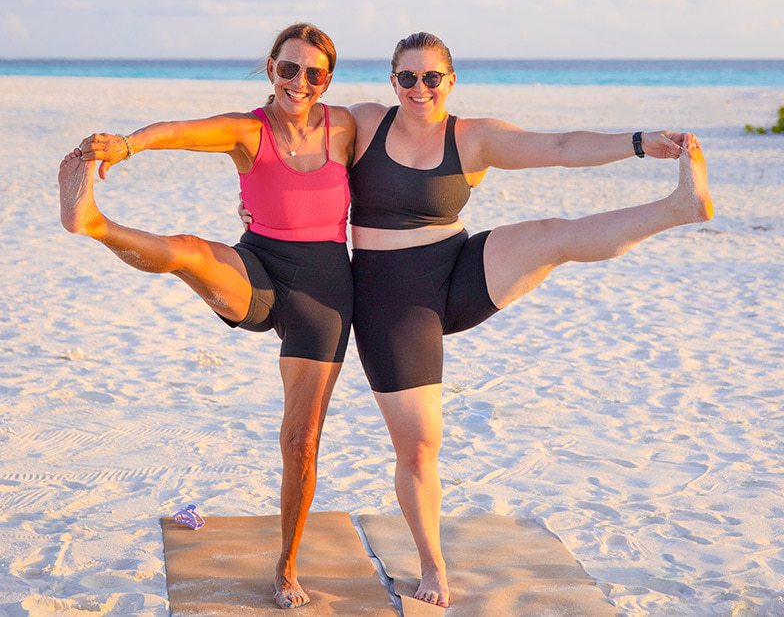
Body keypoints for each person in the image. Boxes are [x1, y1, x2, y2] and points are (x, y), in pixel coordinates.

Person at [243, 31, 714, 607]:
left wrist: (639, 142)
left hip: (458, 265)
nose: (420, 89)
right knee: (418, 448)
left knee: (553, 237)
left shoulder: (474, 137)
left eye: (431, 78)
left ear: (451, 80)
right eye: (408, 78)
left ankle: (677, 207)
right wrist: (255, 205)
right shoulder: (364, 122)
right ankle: (433, 565)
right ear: (393, 82)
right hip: (392, 300)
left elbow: (562, 146)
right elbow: (290, 138)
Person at [58, 23, 355, 610]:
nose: (300, 81)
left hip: (327, 294)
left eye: (313, 72)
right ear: (270, 68)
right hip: (260, 271)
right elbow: (182, 132)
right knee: (190, 251)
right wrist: (127, 145)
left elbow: (414, 130)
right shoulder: (249, 130)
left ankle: (287, 567)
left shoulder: (346, 125)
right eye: (289, 68)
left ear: (328, 79)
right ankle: (93, 223)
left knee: (301, 441)